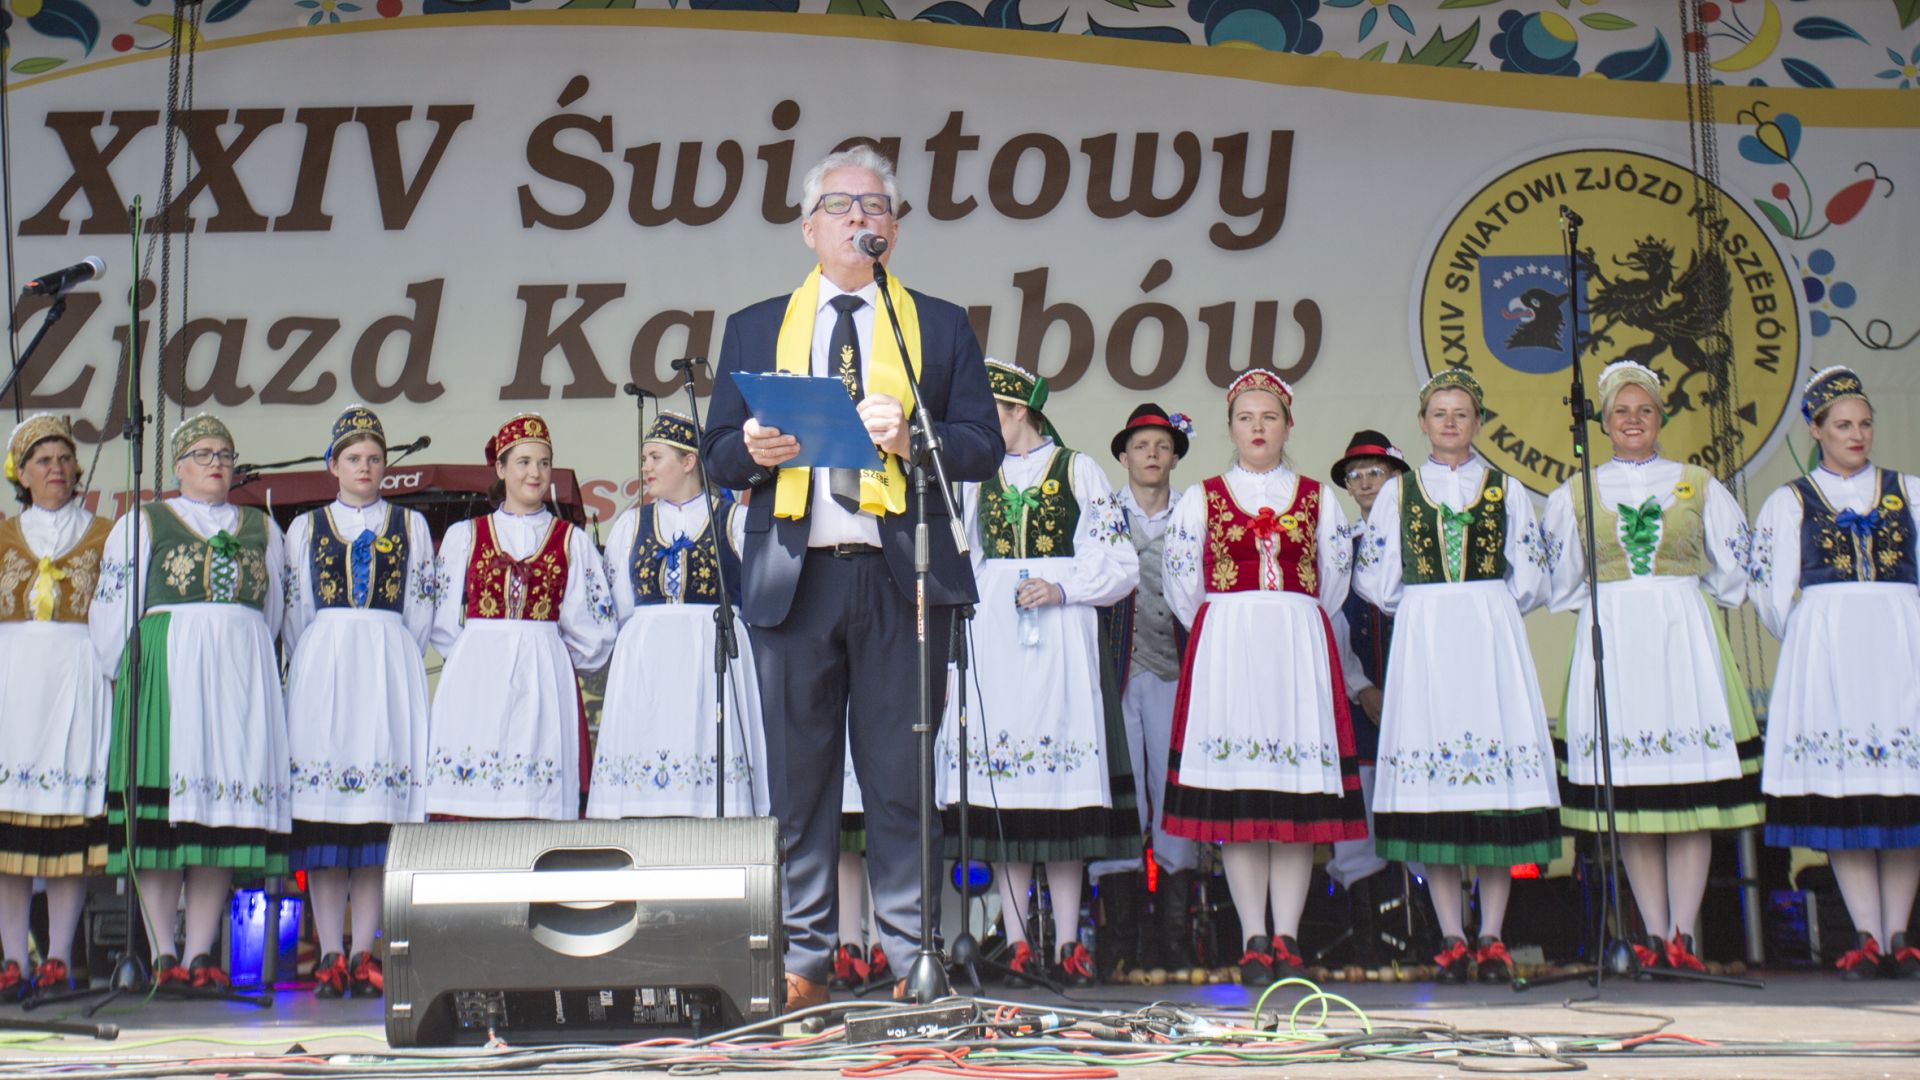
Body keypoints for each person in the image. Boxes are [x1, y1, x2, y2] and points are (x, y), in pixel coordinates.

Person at [701, 145, 1003, 1008]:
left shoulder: (934, 325)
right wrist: (752, 452)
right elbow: (717, 454)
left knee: (901, 777)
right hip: (794, 578)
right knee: (800, 784)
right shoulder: (757, 326)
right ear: (808, 228)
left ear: (893, 231)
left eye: (875, 207)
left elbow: (982, 445)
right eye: (840, 206)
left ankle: (911, 953)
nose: (860, 219)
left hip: (902, 578)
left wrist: (915, 437)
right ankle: (804, 956)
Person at [1542, 361, 1760, 971]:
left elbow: (1734, 570)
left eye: (1644, 410)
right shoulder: (1577, 491)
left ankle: (1682, 934)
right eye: (1621, 411)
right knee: (1633, 797)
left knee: (1688, 791)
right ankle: (1655, 932)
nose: (1632, 420)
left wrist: (1679, 596)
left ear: (1661, 417)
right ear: (1604, 421)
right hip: (1615, 637)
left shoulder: (1697, 483)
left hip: (1680, 638)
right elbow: (1561, 581)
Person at [1161, 370, 1366, 987]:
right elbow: (1181, 586)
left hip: (1296, 652)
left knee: (1295, 800)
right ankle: (1254, 934)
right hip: (1230, 651)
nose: (1257, 428)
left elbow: (1334, 583)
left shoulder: (1318, 498)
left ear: (1288, 426)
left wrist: (1288, 617)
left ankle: (1288, 935)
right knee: (1242, 797)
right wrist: (1236, 621)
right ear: (1230, 427)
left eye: (1269, 417)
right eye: (1246, 418)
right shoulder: (1202, 498)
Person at [1355, 370, 1560, 985]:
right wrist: (1431, 606)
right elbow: (1376, 578)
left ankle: (1491, 935)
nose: (1450, 422)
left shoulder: (1507, 489)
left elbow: (1531, 577)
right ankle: (1451, 935)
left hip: (1488, 639)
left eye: (1461, 413)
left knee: (1492, 792)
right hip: (1427, 642)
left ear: (1477, 422)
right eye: (1439, 413)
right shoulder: (1398, 493)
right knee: (1434, 792)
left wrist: (1485, 608)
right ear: (1422, 423)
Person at [939, 361, 1139, 987]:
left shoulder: (1078, 469)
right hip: (998, 640)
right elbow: (963, 560)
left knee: (1062, 790)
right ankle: (1020, 940)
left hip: (1061, 637)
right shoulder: (977, 479)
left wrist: (1061, 585)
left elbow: (1120, 561)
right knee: (1008, 793)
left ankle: (1070, 939)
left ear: (1018, 411)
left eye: (988, 414)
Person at [90, 414, 290, 989]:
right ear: (178, 466)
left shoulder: (261, 528)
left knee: (216, 816)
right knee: (164, 822)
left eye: (224, 454)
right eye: (203, 454)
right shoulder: (145, 522)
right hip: (169, 673)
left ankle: (200, 953)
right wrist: (127, 675)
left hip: (237, 680)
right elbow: (114, 606)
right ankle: (161, 952)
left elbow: (273, 611)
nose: (216, 463)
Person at [1751, 366, 1920, 980]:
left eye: (1865, 424)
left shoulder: (1909, 491)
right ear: (1816, 430)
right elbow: (1771, 593)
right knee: (1849, 795)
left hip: (1901, 649)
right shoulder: (1791, 501)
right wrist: (1816, 636)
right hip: (1833, 655)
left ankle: (1898, 933)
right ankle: (1867, 933)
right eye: (1844, 425)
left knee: (1901, 795)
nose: (1857, 435)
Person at [282, 406, 437, 999]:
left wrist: (386, 649)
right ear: (333, 465)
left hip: (386, 667)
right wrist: (325, 653)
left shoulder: (410, 525)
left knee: (375, 817)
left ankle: (364, 950)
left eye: (374, 458)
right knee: (327, 822)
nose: (365, 467)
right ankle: (329, 951)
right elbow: (296, 613)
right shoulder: (305, 528)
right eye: (354, 458)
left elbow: (420, 609)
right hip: (326, 670)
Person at [426, 414, 617, 820]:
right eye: (524, 462)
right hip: (476, 680)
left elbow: (595, 628)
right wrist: (476, 655)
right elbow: (439, 618)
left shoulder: (571, 541)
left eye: (544, 463)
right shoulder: (466, 535)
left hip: (542, 676)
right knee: (474, 786)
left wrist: (549, 656)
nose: (535, 473)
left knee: (536, 793)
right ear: (500, 468)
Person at [589, 411, 766, 819]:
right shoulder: (632, 525)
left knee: (708, 741)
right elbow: (619, 608)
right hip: (647, 662)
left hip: (712, 654)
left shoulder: (733, 520)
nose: (645, 468)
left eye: (655, 457)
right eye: (644, 458)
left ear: (689, 461)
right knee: (646, 742)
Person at [0, 415, 112, 998]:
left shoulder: (106, 533)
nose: (57, 469)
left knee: (69, 829)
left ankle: (60, 959)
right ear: (20, 473)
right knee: (9, 834)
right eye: (43, 461)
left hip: (77, 678)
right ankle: (13, 958)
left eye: (65, 459)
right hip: (13, 683)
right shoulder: (3, 535)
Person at [1094, 403, 1197, 976]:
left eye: (1161, 446)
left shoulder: (1194, 512)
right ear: (1124, 456)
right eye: (1141, 446)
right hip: (1115, 675)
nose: (1152, 455)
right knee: (1119, 795)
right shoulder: (1102, 513)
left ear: (1174, 456)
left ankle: (1174, 937)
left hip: (1175, 672)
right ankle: (1119, 938)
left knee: (1173, 795)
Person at [1325, 430, 1411, 946]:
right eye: (1355, 475)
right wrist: (1361, 687)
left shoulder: (1420, 541)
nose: (1363, 482)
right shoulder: (1342, 547)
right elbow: (1333, 620)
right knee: (1360, 817)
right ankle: (1368, 939)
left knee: (1419, 810)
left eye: (1375, 472)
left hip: (1418, 700)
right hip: (1361, 705)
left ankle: (1428, 932)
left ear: (1397, 477)